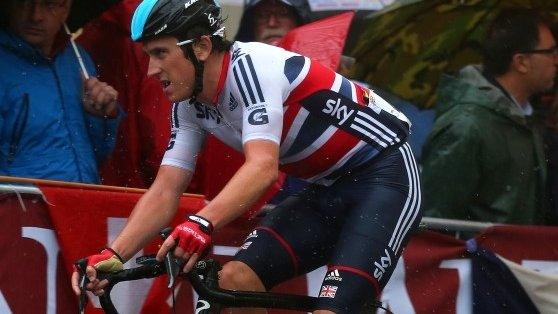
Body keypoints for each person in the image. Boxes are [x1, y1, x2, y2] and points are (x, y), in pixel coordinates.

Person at [71, 0, 422, 312]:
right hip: (327, 187)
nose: (151, 70)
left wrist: (202, 222)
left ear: (203, 46)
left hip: (384, 177)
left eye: (160, 53)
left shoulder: (252, 67)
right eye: (148, 55)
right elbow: (166, 189)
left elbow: (262, 167)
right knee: (235, 280)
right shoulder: (190, 103)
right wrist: (113, 254)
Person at [421, 9, 557, 225]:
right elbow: (435, 219)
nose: (555, 60)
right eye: (550, 51)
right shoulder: (467, 126)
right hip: (483, 257)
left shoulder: (529, 121)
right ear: (521, 62)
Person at [0, 0, 122, 184]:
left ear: (66, 9)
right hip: (20, 203)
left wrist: (102, 116)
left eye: (49, 4)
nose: (36, 16)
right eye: (24, 3)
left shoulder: (77, 59)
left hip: (81, 199)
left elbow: (99, 153)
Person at [235, 0, 311, 46]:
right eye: (263, 15)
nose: (272, 23)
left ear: (299, 21)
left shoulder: (317, 68)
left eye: (283, 13)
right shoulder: (230, 70)